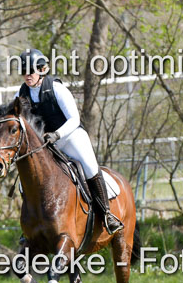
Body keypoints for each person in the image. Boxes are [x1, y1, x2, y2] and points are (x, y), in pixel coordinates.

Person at [16, 47, 124, 234]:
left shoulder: (56, 88)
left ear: (41, 69)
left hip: (70, 137)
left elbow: (74, 119)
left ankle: (107, 214)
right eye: (23, 71)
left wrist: (57, 135)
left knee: (90, 168)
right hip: (45, 145)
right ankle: (33, 224)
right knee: (23, 181)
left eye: (30, 71)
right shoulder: (21, 94)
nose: (27, 75)